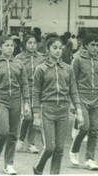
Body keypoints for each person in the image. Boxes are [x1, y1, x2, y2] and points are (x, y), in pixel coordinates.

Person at [32, 34, 84, 175]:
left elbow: (73, 91)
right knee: (49, 147)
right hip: (46, 110)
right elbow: (36, 93)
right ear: (48, 49)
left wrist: (78, 111)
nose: (58, 51)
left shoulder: (68, 69)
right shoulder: (41, 69)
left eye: (60, 48)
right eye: (54, 48)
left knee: (60, 148)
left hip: (63, 110)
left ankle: (54, 173)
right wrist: (36, 115)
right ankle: (38, 167)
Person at [0, 36, 30, 175]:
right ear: (1, 47)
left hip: (16, 100)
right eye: (7, 45)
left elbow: (24, 83)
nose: (10, 48)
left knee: (13, 133)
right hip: (0, 100)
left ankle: (9, 164)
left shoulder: (19, 64)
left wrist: (26, 102)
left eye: (12, 46)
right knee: (3, 131)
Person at [69, 33, 98, 170]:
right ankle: (74, 150)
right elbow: (72, 82)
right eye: (92, 44)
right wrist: (72, 103)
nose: (95, 48)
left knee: (94, 130)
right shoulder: (78, 60)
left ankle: (90, 159)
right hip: (81, 98)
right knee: (85, 128)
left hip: (96, 99)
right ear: (86, 45)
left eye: (97, 45)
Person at [15, 34, 44, 154]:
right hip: (24, 89)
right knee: (27, 117)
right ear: (24, 44)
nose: (32, 45)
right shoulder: (19, 58)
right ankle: (20, 139)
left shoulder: (41, 58)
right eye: (30, 43)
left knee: (35, 117)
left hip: (37, 90)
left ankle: (31, 143)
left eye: (34, 43)